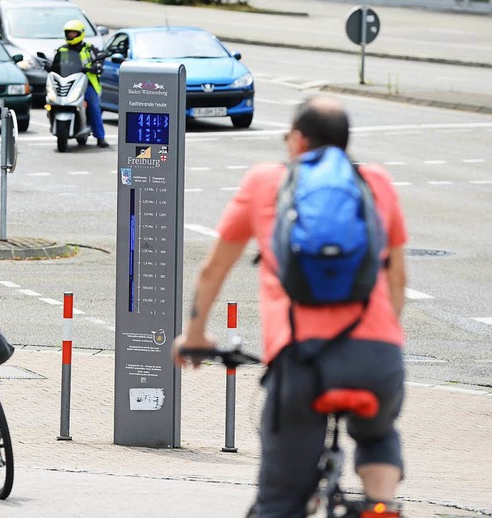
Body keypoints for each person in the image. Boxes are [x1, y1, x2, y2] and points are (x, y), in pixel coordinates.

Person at [174, 95, 407, 517]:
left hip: (302, 362)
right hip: (378, 358)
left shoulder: (267, 181)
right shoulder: (379, 184)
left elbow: (213, 270)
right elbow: (398, 282)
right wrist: (382, 344)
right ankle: (382, 506)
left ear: (298, 140)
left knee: (280, 502)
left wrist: (194, 335)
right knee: (377, 435)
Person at [50, 19, 109, 148]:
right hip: (66, 82)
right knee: (52, 101)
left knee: (93, 106)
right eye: (69, 33)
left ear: (80, 33)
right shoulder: (62, 50)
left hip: (86, 83)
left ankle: (100, 137)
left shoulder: (88, 49)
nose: (71, 35)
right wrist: (48, 66)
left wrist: (97, 66)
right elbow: (55, 65)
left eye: (73, 33)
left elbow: (99, 59)